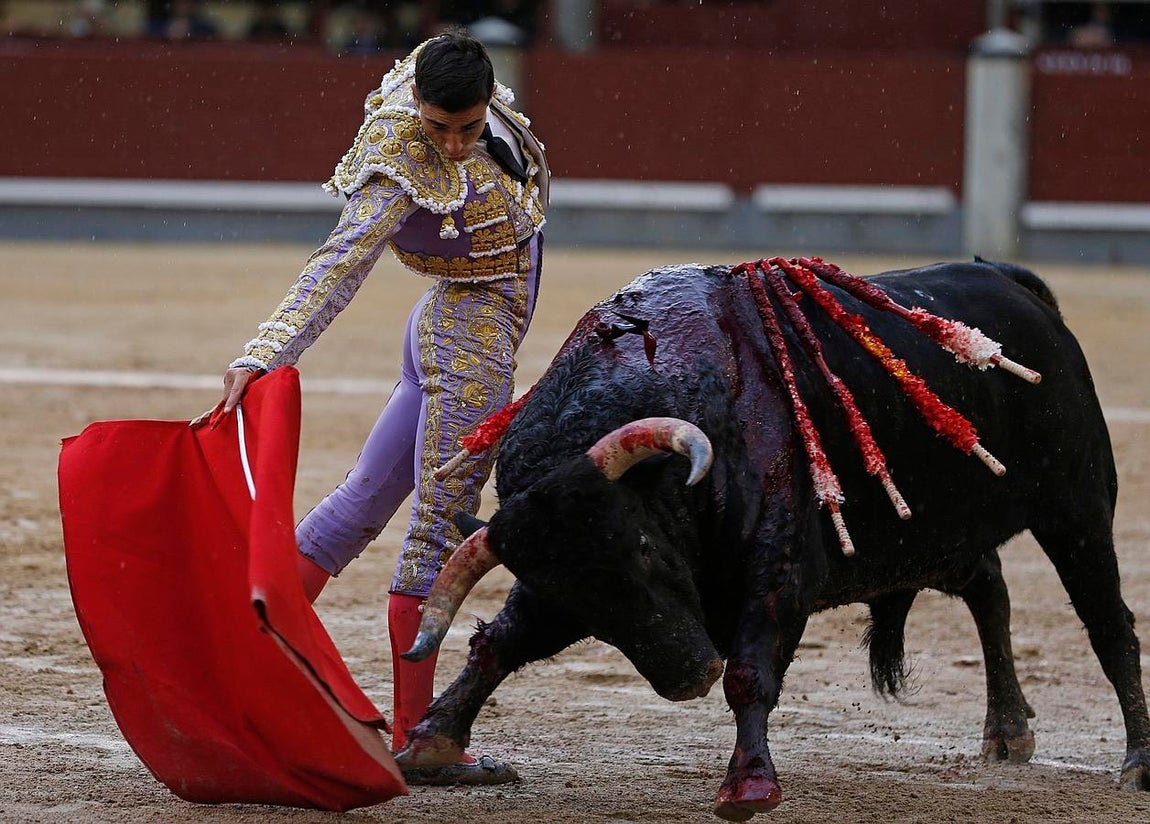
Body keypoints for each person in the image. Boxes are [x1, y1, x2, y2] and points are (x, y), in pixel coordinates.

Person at [197, 30, 548, 784]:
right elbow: (341, 261)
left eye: (468, 127)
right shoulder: (398, 159)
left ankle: (239, 658)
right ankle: (421, 738)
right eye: (439, 127)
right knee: (438, 528)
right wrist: (266, 351)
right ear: (415, 104)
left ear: (487, 98)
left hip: (448, 324)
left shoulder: (457, 79)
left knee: (364, 499)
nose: (453, 146)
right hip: (469, 339)